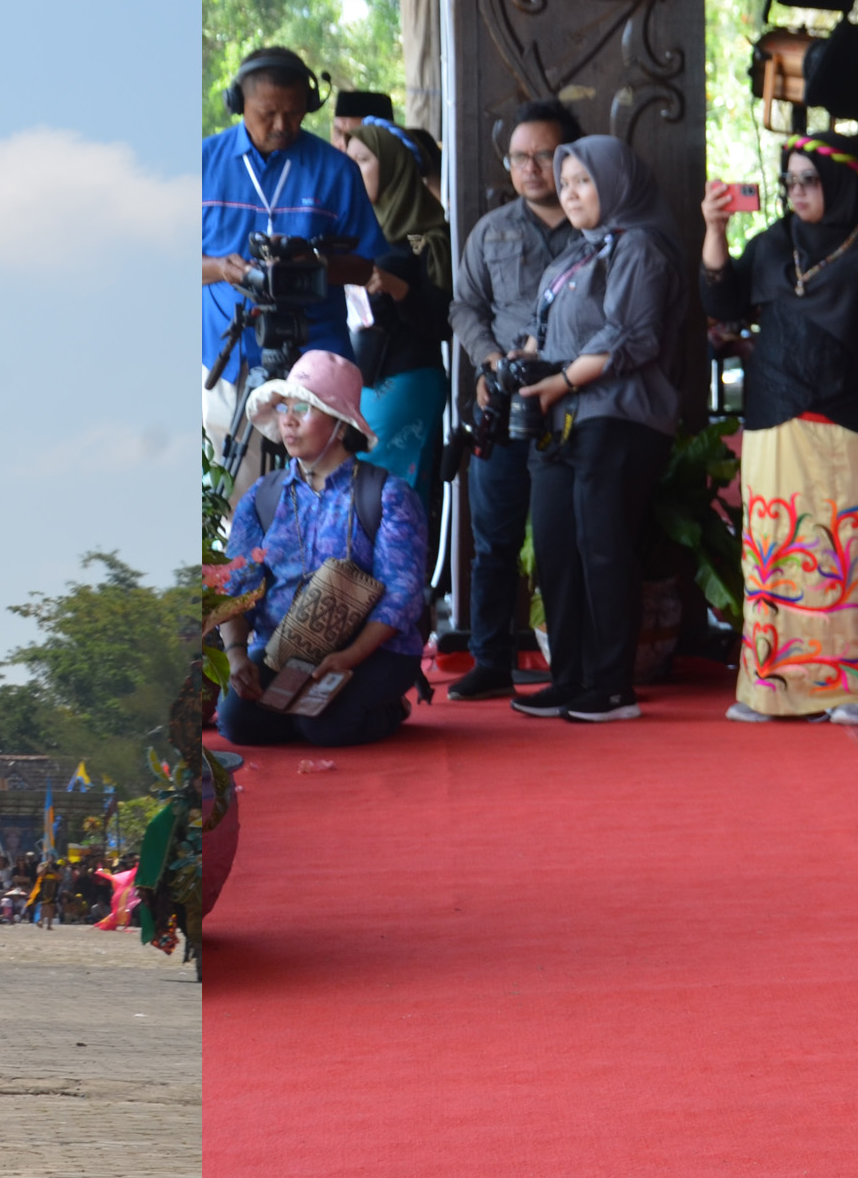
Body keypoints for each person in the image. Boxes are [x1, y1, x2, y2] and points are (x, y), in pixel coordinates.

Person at [702, 135, 858, 724]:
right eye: (790, 181)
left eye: (809, 181)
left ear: (841, 183)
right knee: (774, 553)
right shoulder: (775, 243)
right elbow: (722, 303)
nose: (795, 192)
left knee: (848, 551)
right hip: (774, 417)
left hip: (852, 422)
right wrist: (717, 230)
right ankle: (772, 688)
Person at [515, 132, 683, 726]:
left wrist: (559, 381)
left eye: (584, 180)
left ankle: (613, 686)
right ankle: (570, 679)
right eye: (566, 184)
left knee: (602, 549)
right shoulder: (574, 254)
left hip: (619, 418)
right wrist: (519, 368)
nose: (572, 192)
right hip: (558, 422)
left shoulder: (639, 246)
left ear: (614, 183)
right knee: (558, 550)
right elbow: (543, 334)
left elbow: (628, 339)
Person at [213, 349, 434, 748]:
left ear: (340, 424)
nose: (288, 419)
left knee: (325, 727)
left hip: (374, 651)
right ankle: (304, 715)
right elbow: (236, 585)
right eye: (284, 407)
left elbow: (401, 595)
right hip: (286, 651)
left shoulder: (387, 494)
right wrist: (236, 655)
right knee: (237, 723)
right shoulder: (263, 496)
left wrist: (350, 657)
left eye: (304, 408)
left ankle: (389, 705)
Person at [450, 100, 586, 700]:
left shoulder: (596, 227)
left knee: (571, 539)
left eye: (544, 155)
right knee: (494, 539)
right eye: (519, 157)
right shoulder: (491, 229)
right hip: (503, 400)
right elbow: (464, 306)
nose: (531, 168)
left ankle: (576, 666)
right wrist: (488, 361)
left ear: (571, 158)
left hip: (579, 401)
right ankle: (490, 661)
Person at [202, 46, 390, 381]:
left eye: (294, 113)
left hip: (316, 359)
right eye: (267, 113)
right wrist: (218, 268)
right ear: (237, 104)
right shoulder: (201, 163)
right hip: (226, 358)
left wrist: (315, 265)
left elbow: (364, 269)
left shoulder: (339, 171)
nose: (281, 125)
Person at [335, 107, 453, 480]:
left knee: (389, 498)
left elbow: (444, 322)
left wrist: (399, 288)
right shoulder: (346, 232)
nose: (351, 169)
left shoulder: (428, 240)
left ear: (394, 166)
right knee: (355, 495)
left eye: (363, 160)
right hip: (355, 381)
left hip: (405, 379)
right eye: (348, 160)